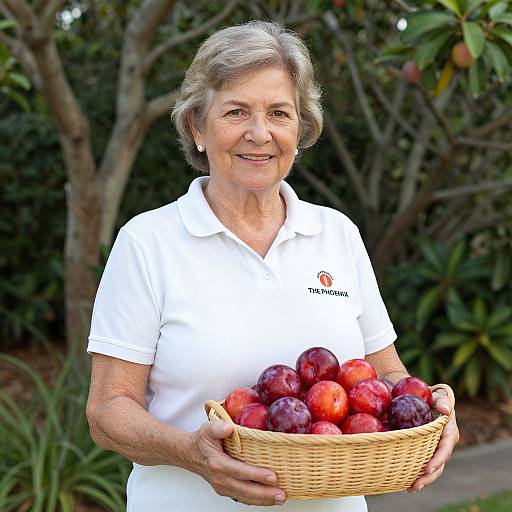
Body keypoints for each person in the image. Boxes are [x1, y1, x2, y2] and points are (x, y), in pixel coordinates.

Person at [85, 20, 459, 512]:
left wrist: (431, 409)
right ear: (197, 126)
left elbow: (385, 374)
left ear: (300, 131)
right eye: (236, 111)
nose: (259, 133)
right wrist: (193, 453)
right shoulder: (147, 243)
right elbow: (108, 411)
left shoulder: (336, 234)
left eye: (279, 113)